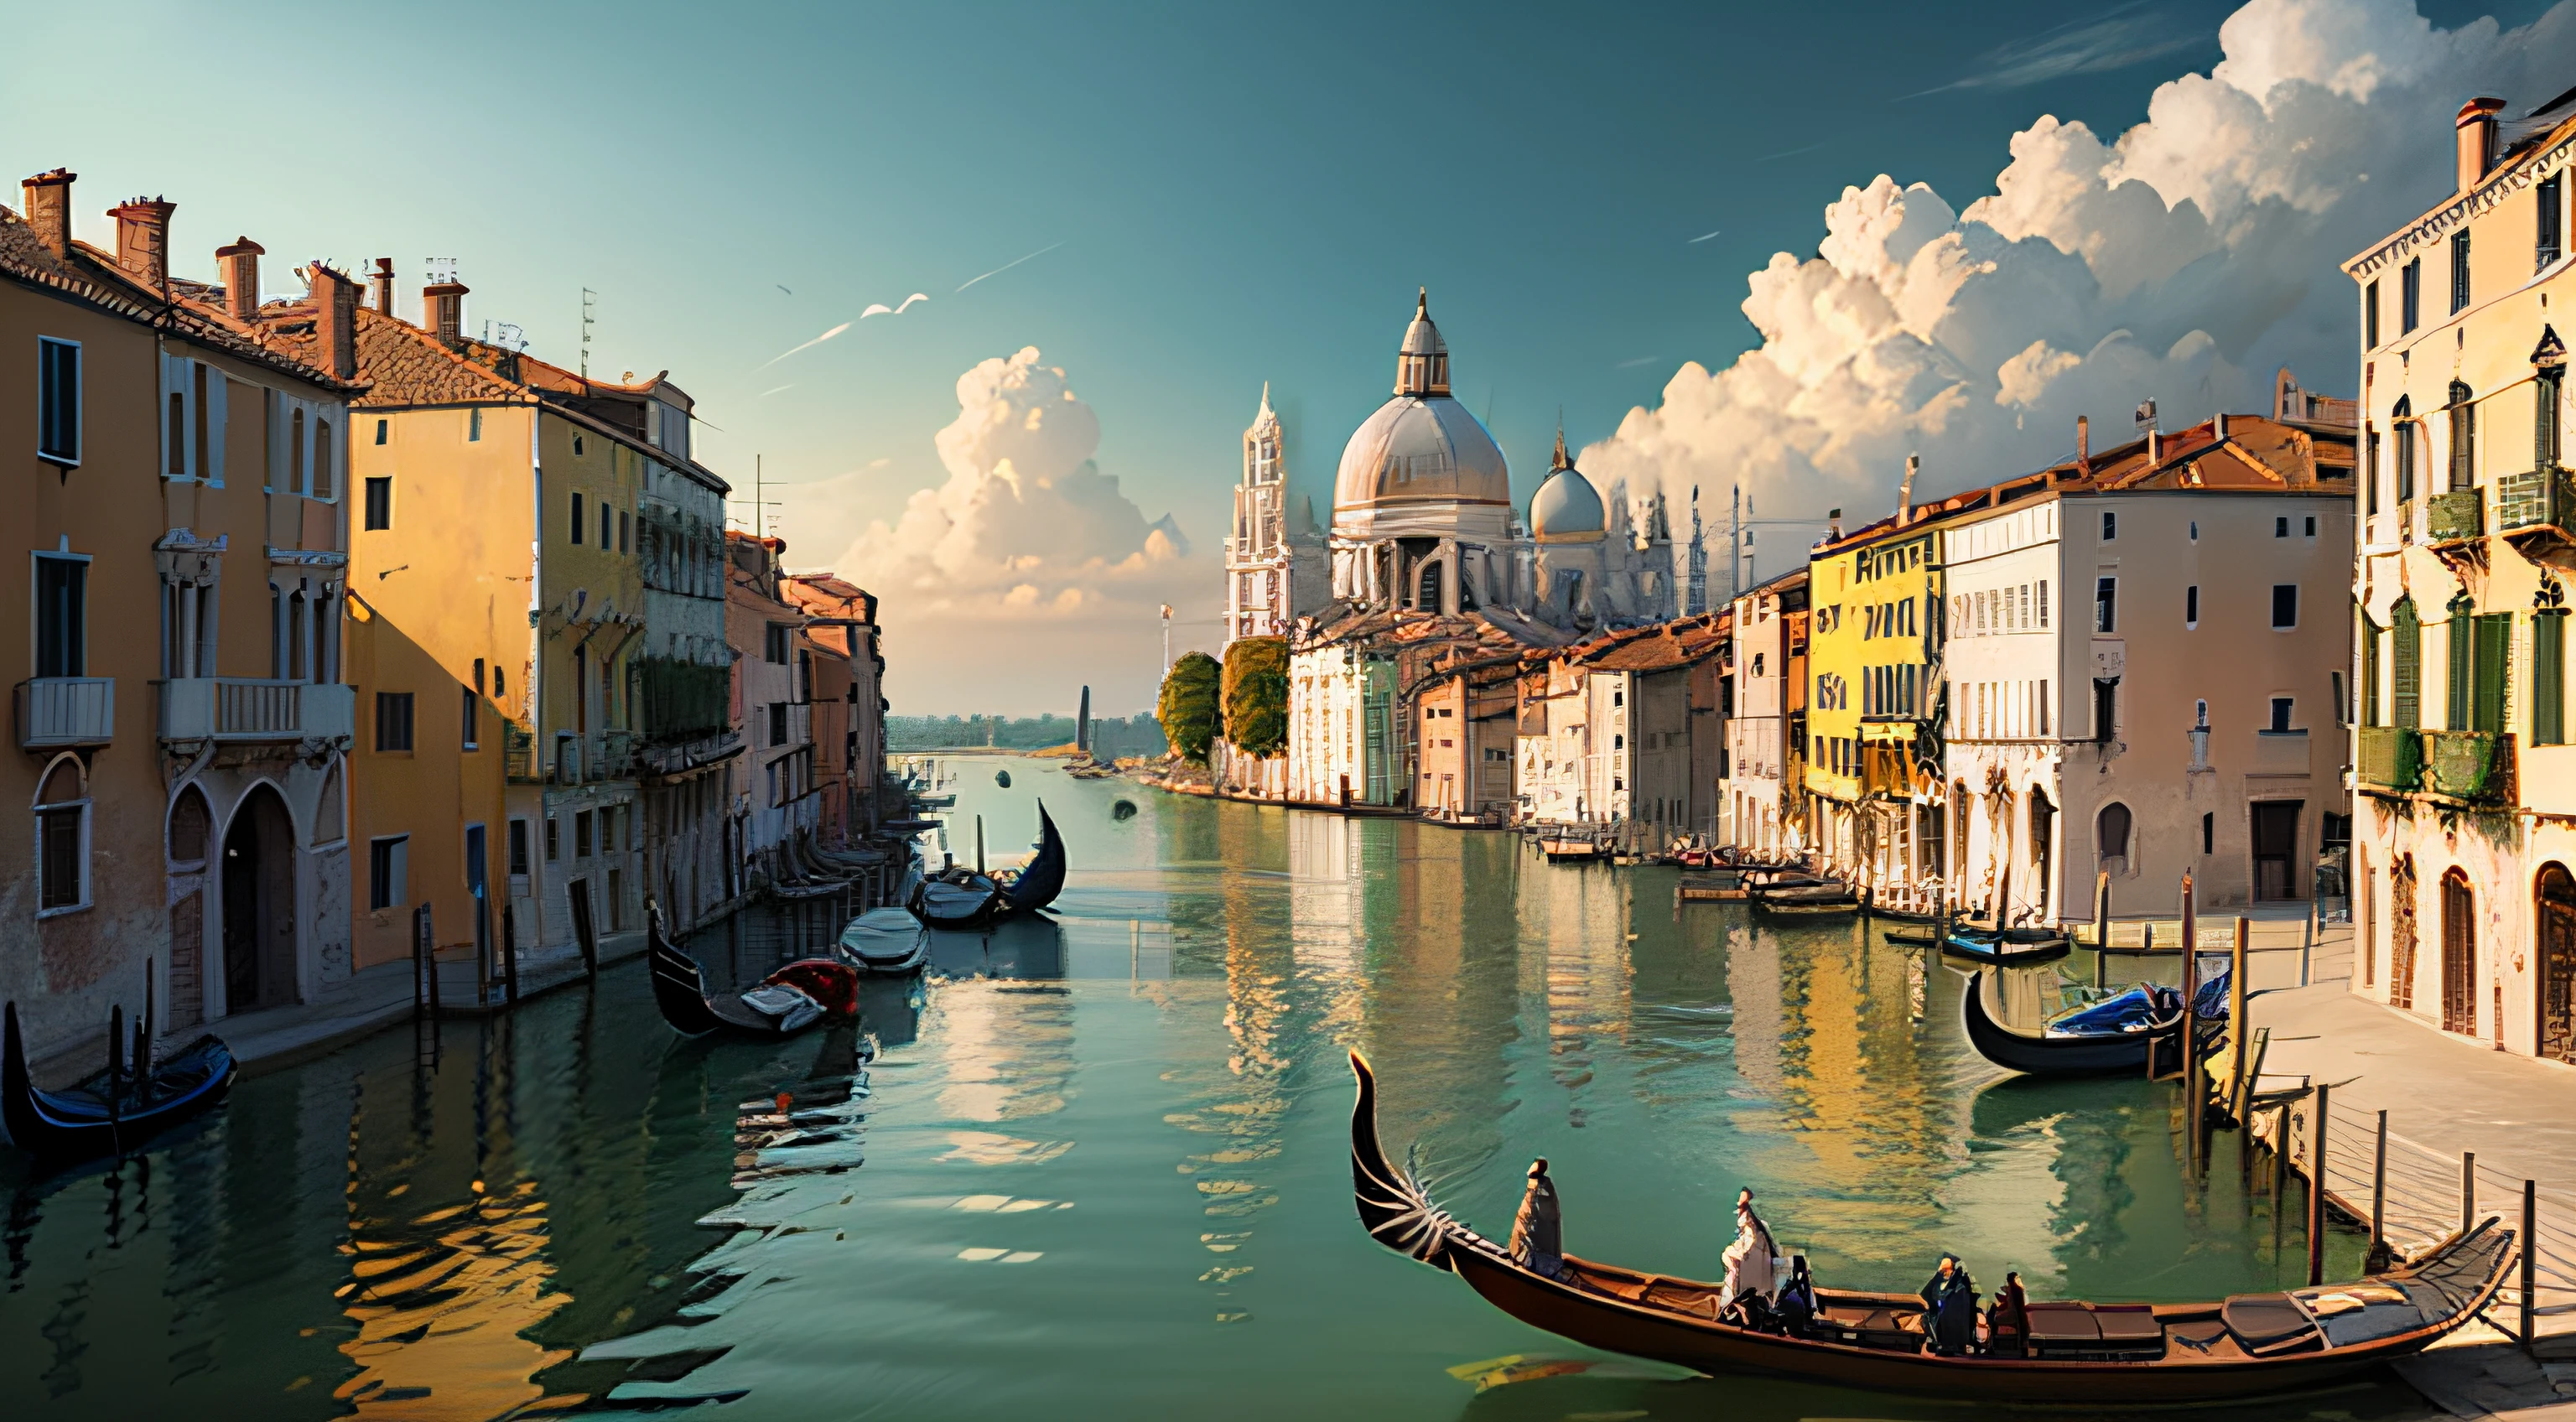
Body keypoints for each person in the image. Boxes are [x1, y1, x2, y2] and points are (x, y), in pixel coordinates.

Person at [1509, 1158, 1564, 1279]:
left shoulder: (1537, 1187)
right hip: (1538, 1240)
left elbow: (1535, 1215)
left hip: (1536, 1252)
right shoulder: (1544, 1184)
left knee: (1529, 1237)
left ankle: (1531, 1266)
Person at [1722, 1187, 1778, 1305]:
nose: (1738, 1204)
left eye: (1741, 1205)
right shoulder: (1757, 1227)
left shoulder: (1752, 1231)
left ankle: (1730, 1306)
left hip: (1752, 1278)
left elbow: (1747, 1252)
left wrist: (1729, 1253)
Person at [1987, 1270, 2029, 1357]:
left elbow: (2010, 1303)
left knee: (1994, 1321)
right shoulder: (2017, 1289)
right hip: (2017, 1315)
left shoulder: (2014, 1289)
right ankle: (1992, 1345)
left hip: (2013, 1315)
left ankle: (1992, 1345)